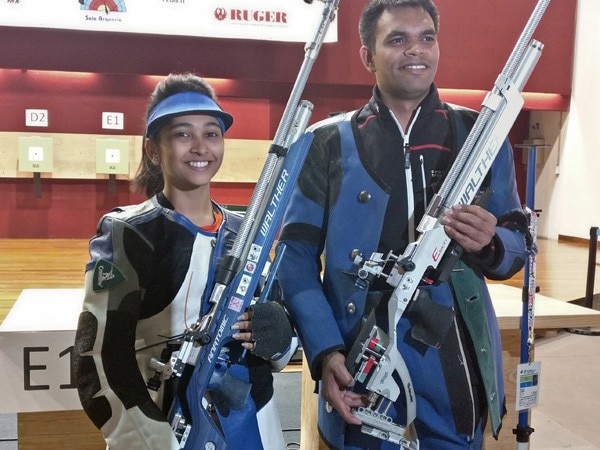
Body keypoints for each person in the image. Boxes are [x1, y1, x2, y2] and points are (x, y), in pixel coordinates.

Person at [277, 0, 530, 448]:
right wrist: (325, 349)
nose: (416, 50)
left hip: (454, 353)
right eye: (397, 39)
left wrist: (491, 242)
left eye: (426, 37)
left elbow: (516, 241)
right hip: (359, 349)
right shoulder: (325, 142)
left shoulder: (481, 134)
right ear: (367, 56)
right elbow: (294, 259)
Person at [72, 73, 294, 450]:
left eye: (211, 134)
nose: (200, 147)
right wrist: (151, 438)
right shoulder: (127, 233)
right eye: (182, 134)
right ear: (153, 150)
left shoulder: (247, 230)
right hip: (163, 426)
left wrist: (279, 335)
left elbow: (277, 347)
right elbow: (97, 357)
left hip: (253, 420)